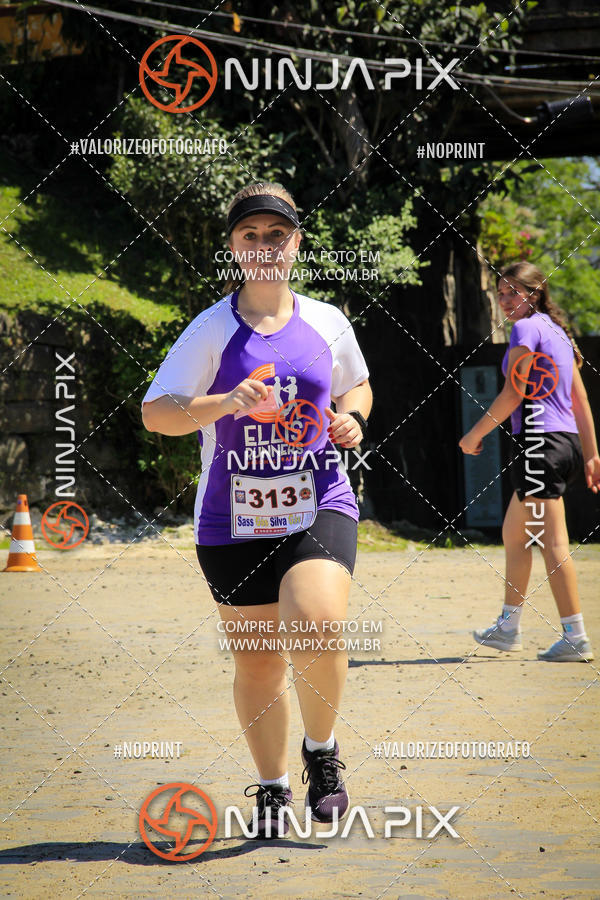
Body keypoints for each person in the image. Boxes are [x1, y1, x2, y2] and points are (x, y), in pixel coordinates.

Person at [142, 182, 372, 835]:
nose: (266, 247)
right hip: (231, 517)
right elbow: (157, 413)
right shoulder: (211, 330)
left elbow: (356, 382)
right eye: (252, 237)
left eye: (278, 235)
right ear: (234, 249)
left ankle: (321, 755)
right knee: (260, 659)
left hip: (318, 496)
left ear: (296, 242)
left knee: (316, 621)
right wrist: (225, 403)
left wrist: (352, 418)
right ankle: (271, 787)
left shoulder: (328, 320)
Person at [459, 261, 600, 662]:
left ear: (534, 293)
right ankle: (508, 627)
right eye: (500, 294)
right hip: (565, 444)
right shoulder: (558, 332)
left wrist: (474, 434)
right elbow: (580, 400)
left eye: (512, 293)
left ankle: (575, 637)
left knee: (553, 543)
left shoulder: (526, 329)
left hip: (540, 444)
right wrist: (590, 454)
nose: (504, 301)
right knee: (516, 535)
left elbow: (513, 394)